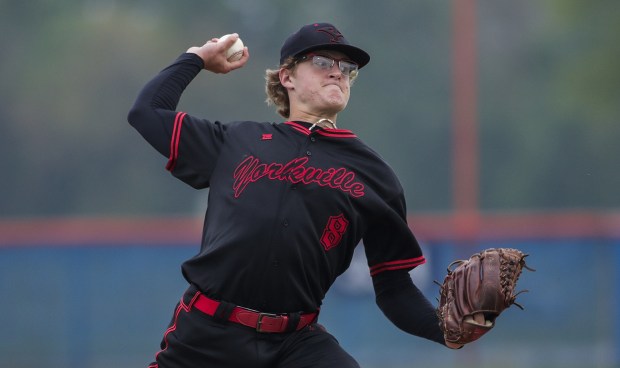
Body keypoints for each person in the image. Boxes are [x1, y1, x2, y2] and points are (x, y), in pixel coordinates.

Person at [128, 22, 460, 368]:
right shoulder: (236, 142)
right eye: (322, 63)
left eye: (347, 69)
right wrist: (196, 57)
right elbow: (147, 112)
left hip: (296, 344)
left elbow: (394, 287)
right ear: (287, 77)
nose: (337, 73)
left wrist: (447, 328)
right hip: (207, 336)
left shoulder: (374, 175)